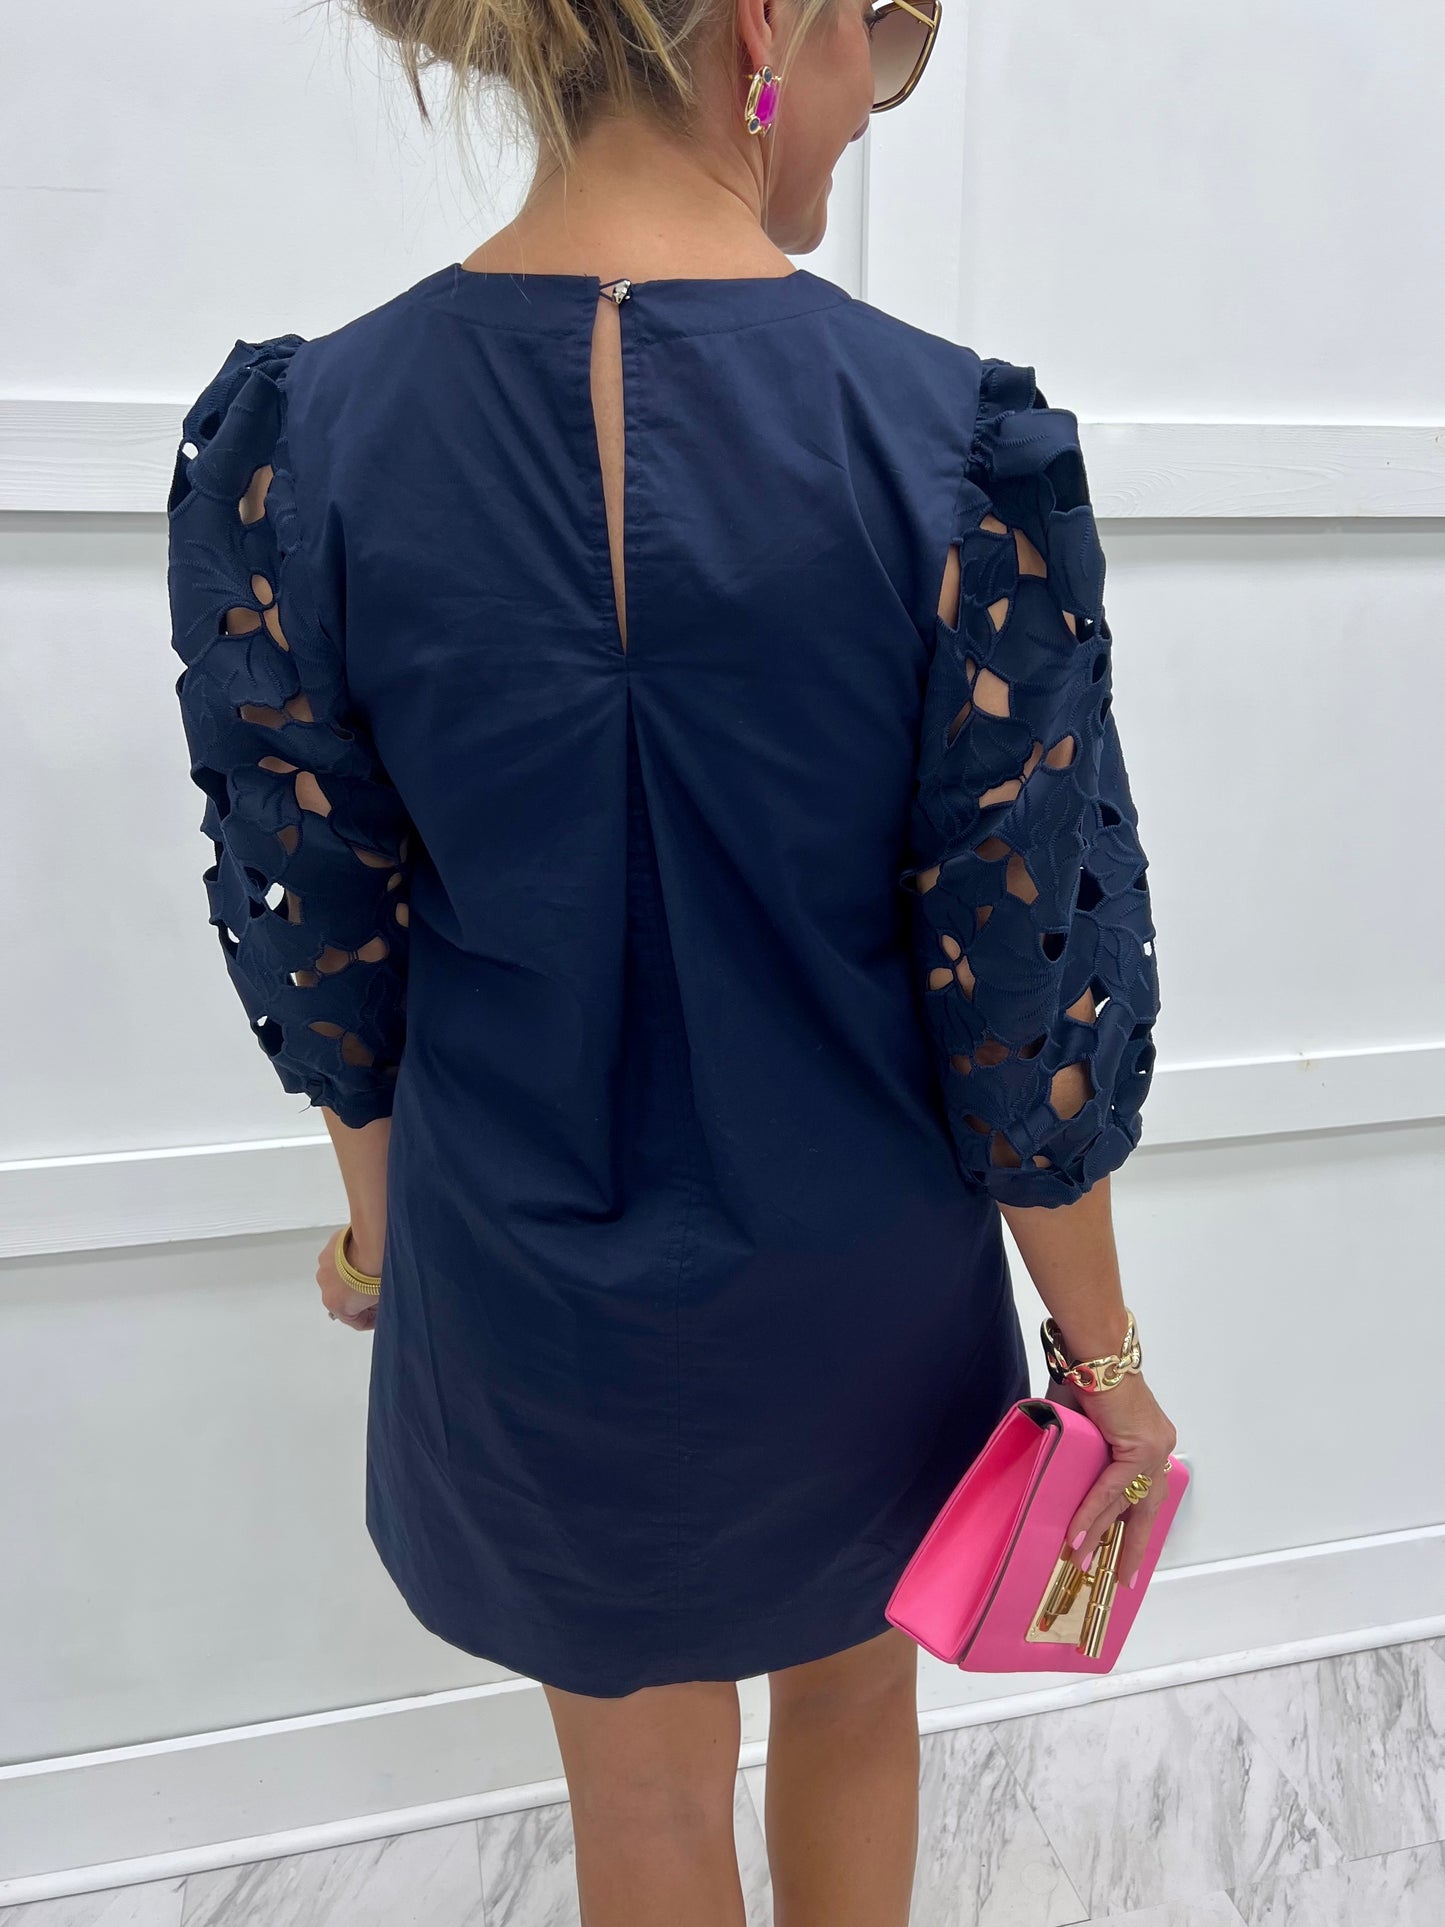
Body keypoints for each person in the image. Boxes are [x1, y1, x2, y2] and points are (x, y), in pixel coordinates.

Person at [165, 0, 1177, 1918]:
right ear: (769, 27)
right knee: (857, 1705)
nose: (869, 106)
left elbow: (330, 951)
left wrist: (378, 1240)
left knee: (635, 1806)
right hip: (862, 1284)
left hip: (526, 1288)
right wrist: (1103, 1359)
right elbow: (1020, 989)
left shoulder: (304, 444)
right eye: (883, 41)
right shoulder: (951, 445)